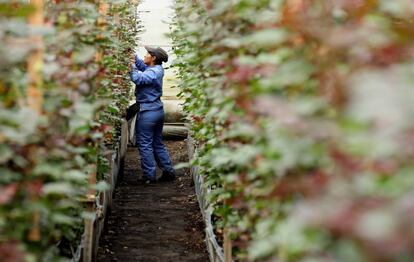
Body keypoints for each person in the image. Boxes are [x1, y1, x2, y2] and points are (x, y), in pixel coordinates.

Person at [130, 46, 176, 184]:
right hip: (157, 111)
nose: (144, 56)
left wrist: (130, 67)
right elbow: (142, 67)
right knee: (157, 143)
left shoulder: (153, 72)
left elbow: (138, 78)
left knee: (145, 144)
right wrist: (133, 57)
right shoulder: (155, 69)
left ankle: (149, 176)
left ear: (153, 58)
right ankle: (168, 171)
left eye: (147, 54)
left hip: (148, 113)